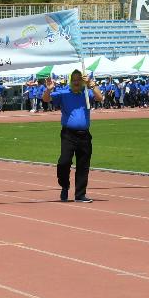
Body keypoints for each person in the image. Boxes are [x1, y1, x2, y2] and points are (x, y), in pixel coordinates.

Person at [42, 70, 102, 203]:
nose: (76, 82)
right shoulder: (64, 93)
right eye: (74, 79)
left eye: (78, 79)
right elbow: (46, 99)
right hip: (69, 134)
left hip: (84, 135)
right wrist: (49, 90)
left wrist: (92, 85)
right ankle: (64, 185)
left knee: (83, 165)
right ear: (70, 80)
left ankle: (80, 194)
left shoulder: (86, 92)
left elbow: (100, 98)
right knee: (64, 162)